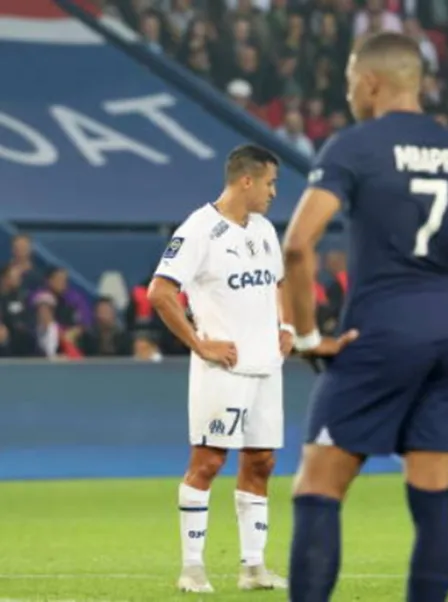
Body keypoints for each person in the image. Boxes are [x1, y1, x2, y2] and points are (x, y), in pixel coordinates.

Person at [280, 32, 448, 602]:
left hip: (379, 329)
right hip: (446, 335)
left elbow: (297, 245)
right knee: (433, 494)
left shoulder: (354, 146)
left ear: (369, 82)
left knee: (318, 485)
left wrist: (308, 335)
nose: (348, 95)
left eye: (349, 83)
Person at [148, 145, 352, 593]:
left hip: (266, 366)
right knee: (208, 461)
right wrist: (199, 343)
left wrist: (286, 325)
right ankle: (192, 568)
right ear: (246, 181)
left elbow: (278, 284)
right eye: (270, 183)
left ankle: (253, 567)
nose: (274, 192)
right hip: (222, 368)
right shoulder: (199, 229)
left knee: (261, 461)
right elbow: (160, 292)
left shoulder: (262, 230)